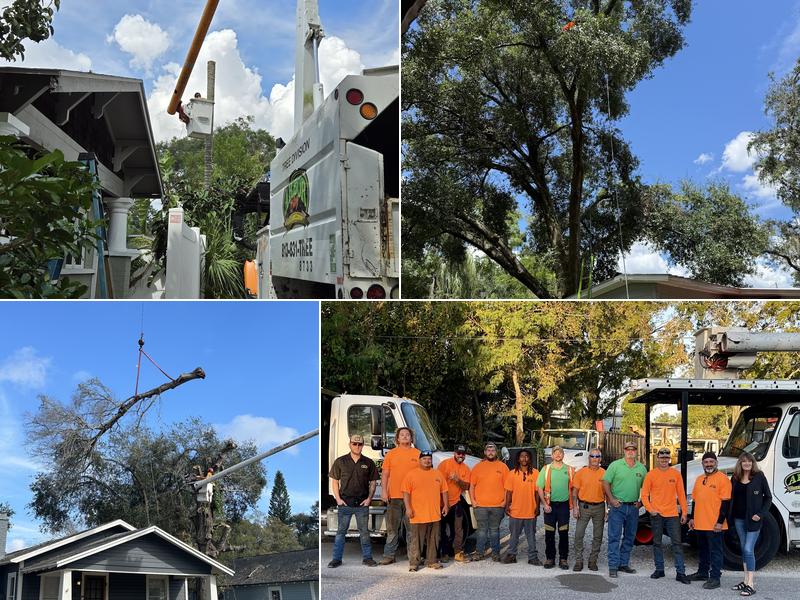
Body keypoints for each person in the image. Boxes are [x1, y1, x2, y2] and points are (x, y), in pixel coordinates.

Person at [328, 434, 380, 568]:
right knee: (340, 533)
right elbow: (335, 481)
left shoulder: (368, 462)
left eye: (360, 444)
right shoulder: (340, 461)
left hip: (362, 504)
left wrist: (369, 499)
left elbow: (373, 483)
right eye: (354, 444)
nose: (357, 446)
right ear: (350, 444)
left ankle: (367, 558)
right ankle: (336, 559)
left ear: (363, 445)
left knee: (364, 533)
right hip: (345, 503)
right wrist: (338, 499)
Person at [640, 448, 690, 584]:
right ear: (657, 458)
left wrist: (684, 512)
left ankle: (681, 572)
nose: (664, 459)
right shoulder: (651, 475)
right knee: (657, 543)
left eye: (666, 457)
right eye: (661, 457)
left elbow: (681, 494)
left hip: (672, 515)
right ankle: (659, 569)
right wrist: (650, 510)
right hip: (656, 515)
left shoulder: (675, 474)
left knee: (677, 543)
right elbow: (644, 495)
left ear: (669, 459)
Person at [726, 452, 772, 597]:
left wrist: (760, 514)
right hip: (738, 519)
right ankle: (745, 581)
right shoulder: (735, 477)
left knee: (747, 549)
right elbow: (731, 497)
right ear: (740, 463)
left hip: (753, 520)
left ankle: (751, 584)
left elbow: (768, 498)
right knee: (744, 549)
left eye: (749, 461)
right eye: (744, 461)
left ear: (753, 463)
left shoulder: (759, 476)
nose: (747, 464)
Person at [602, 440, 647, 578]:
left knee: (629, 537)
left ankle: (623, 563)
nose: (630, 451)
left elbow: (647, 488)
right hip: (618, 507)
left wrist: (641, 502)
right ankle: (613, 566)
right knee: (614, 537)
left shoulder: (641, 468)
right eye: (628, 449)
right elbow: (605, 482)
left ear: (636, 451)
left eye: (633, 449)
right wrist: (611, 499)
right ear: (624, 451)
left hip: (633, 508)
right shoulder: (615, 465)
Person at [688, 451, 732, 590]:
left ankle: (715, 578)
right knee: (703, 550)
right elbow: (695, 500)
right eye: (706, 462)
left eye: (711, 462)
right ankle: (702, 573)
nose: (709, 464)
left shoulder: (723, 479)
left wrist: (720, 522)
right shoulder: (699, 479)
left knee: (715, 552)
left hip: (715, 525)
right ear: (702, 464)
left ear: (716, 463)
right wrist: (692, 518)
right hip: (700, 523)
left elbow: (726, 503)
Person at [401, 450, 449, 571]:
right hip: (417, 515)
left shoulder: (437, 474)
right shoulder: (411, 474)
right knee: (416, 540)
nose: (427, 461)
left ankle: (432, 561)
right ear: (419, 460)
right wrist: (408, 508)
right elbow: (406, 493)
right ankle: (414, 563)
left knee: (434, 539)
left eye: (429, 459)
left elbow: (444, 491)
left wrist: (446, 505)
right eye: (424, 459)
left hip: (434, 514)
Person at [380, 427, 419, 565]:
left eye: (407, 434)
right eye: (402, 435)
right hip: (394, 497)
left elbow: (423, 475)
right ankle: (389, 556)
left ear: (411, 438)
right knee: (392, 529)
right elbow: (385, 474)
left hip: (412, 499)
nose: (405, 436)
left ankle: (413, 558)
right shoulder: (391, 454)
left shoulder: (417, 453)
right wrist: (384, 491)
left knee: (412, 530)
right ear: (397, 438)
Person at [469, 442, 510, 561]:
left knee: (494, 530)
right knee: (481, 530)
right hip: (480, 506)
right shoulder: (478, 467)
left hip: (498, 506)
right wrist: (473, 501)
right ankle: (479, 552)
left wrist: (504, 502)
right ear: (485, 452)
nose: (490, 452)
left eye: (493, 450)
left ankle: (495, 553)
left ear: (496, 452)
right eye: (488, 450)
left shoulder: (503, 467)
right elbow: (472, 486)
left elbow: (508, 487)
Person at [537, 446, 574, 569]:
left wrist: (574, 505)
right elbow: (539, 488)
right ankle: (550, 558)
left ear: (563, 455)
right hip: (550, 506)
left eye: (560, 452)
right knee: (549, 533)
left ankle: (563, 559)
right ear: (552, 455)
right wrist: (544, 504)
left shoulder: (569, 470)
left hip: (564, 506)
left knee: (563, 533)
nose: (558, 454)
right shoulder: (546, 469)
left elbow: (574, 489)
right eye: (555, 453)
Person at [502, 449, 541, 565]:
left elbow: (537, 492)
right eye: (522, 456)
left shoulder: (536, 473)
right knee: (514, 535)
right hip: (515, 511)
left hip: (530, 511)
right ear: (518, 459)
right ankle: (511, 555)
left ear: (530, 459)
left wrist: (537, 507)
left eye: (527, 456)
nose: (524, 458)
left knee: (531, 536)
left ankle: (533, 557)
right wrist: (507, 506)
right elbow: (509, 492)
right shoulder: (512, 473)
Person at [571, 447, 606, 572]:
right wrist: (575, 507)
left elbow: (608, 493)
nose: (595, 459)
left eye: (597, 456)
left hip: (599, 507)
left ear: (600, 459)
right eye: (592, 456)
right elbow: (574, 492)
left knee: (598, 536)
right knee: (578, 534)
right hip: (583, 507)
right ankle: (579, 561)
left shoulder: (604, 473)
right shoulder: (581, 472)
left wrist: (607, 510)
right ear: (589, 458)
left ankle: (593, 561)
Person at [437, 444, 472, 562]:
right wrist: (443, 503)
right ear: (454, 453)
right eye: (458, 453)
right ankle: (444, 553)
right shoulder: (445, 464)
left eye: (463, 454)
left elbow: (466, 486)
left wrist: (457, 480)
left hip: (456, 502)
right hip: (442, 503)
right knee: (441, 529)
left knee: (458, 529)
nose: (460, 455)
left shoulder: (466, 468)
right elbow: (437, 483)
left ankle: (458, 552)